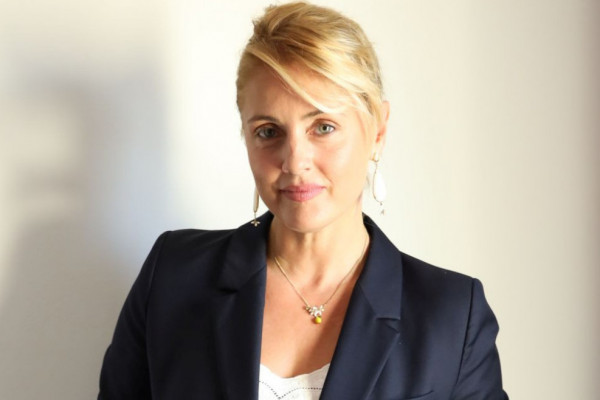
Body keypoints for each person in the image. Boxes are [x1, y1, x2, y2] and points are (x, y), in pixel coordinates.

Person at [98, 2, 508, 399]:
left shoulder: (452, 316)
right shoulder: (173, 276)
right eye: (268, 131)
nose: (295, 162)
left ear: (378, 131)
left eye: (323, 127)